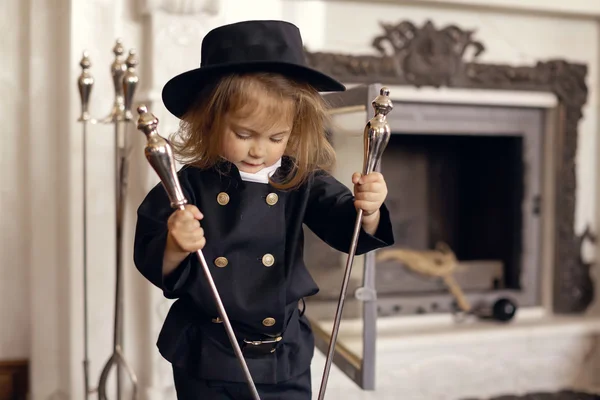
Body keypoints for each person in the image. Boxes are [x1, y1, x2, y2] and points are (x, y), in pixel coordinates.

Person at [133, 19, 395, 399]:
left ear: (295, 127)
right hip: (207, 352)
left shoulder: (300, 178)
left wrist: (369, 208)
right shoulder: (189, 184)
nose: (259, 150)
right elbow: (151, 250)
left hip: (282, 353)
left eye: (276, 137)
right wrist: (176, 244)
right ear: (209, 120)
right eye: (244, 134)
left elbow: (348, 225)